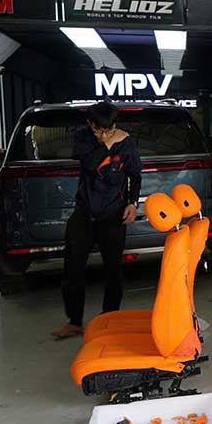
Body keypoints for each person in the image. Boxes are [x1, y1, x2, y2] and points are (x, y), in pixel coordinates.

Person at [51, 102, 142, 340]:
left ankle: (109, 319)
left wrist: (133, 203)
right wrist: (110, 142)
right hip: (84, 212)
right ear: (89, 124)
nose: (102, 135)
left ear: (114, 124)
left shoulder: (127, 143)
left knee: (113, 270)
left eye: (108, 130)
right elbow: (90, 165)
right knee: (73, 268)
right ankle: (74, 321)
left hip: (113, 214)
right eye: (98, 130)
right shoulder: (82, 137)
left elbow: (135, 175)